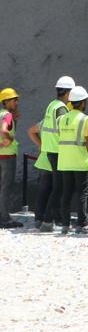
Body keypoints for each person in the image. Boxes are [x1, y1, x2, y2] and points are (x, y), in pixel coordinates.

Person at [32, 76, 75, 231]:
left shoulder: (52, 105)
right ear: (68, 93)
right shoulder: (61, 108)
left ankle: (47, 219)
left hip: (49, 149)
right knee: (59, 187)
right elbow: (64, 129)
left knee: (53, 187)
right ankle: (48, 221)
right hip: (58, 150)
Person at [56, 86, 88, 234]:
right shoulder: (85, 119)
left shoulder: (62, 118)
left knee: (66, 193)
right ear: (83, 102)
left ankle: (65, 224)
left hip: (65, 161)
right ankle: (82, 224)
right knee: (82, 194)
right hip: (80, 161)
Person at [0, 88, 22, 228]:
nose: (16, 102)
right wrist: (10, 138)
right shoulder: (6, 115)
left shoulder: (2, 114)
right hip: (7, 156)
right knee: (6, 188)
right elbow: (3, 130)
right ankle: (4, 219)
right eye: (14, 100)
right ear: (6, 101)